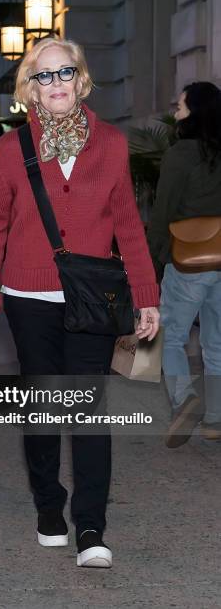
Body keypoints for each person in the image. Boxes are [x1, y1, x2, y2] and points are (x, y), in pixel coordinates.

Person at [0, 37, 160, 568]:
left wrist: (146, 296)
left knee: (88, 410)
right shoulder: (12, 149)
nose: (55, 84)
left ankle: (91, 526)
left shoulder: (111, 143)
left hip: (92, 299)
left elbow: (128, 224)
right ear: (29, 90)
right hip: (27, 296)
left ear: (80, 80)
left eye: (64, 73)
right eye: (43, 75)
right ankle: (48, 505)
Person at [147, 82, 221, 446]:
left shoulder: (182, 153)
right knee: (217, 343)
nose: (175, 113)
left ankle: (184, 399)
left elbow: (163, 211)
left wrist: (155, 258)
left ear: (194, 111)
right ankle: (216, 419)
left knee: (168, 337)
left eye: (179, 107)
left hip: (189, 259)